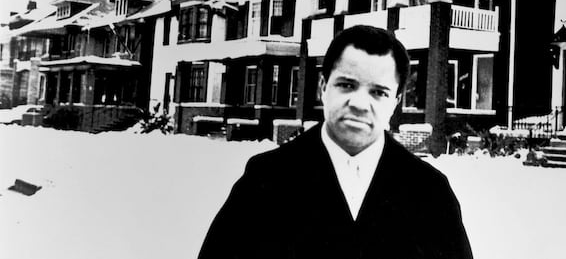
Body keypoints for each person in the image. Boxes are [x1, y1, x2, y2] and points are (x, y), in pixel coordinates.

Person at [198, 25, 473, 259]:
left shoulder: (429, 192)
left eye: (378, 92)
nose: (360, 104)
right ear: (323, 87)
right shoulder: (266, 179)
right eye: (347, 85)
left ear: (396, 102)